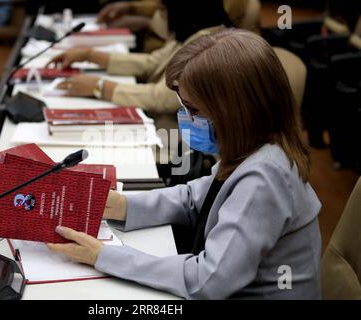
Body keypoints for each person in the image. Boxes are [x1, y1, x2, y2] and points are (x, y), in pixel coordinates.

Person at [46, 29, 323, 299]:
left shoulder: (265, 178)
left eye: (195, 110)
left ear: (236, 112)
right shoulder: (253, 149)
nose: (186, 118)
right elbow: (195, 198)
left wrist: (104, 256)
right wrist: (122, 205)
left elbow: (208, 280)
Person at [47, 0, 231, 114]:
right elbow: (152, 63)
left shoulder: (207, 46)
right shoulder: (194, 34)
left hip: (174, 140)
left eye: (164, 10)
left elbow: (162, 98)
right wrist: (89, 55)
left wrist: (99, 87)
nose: (160, 16)